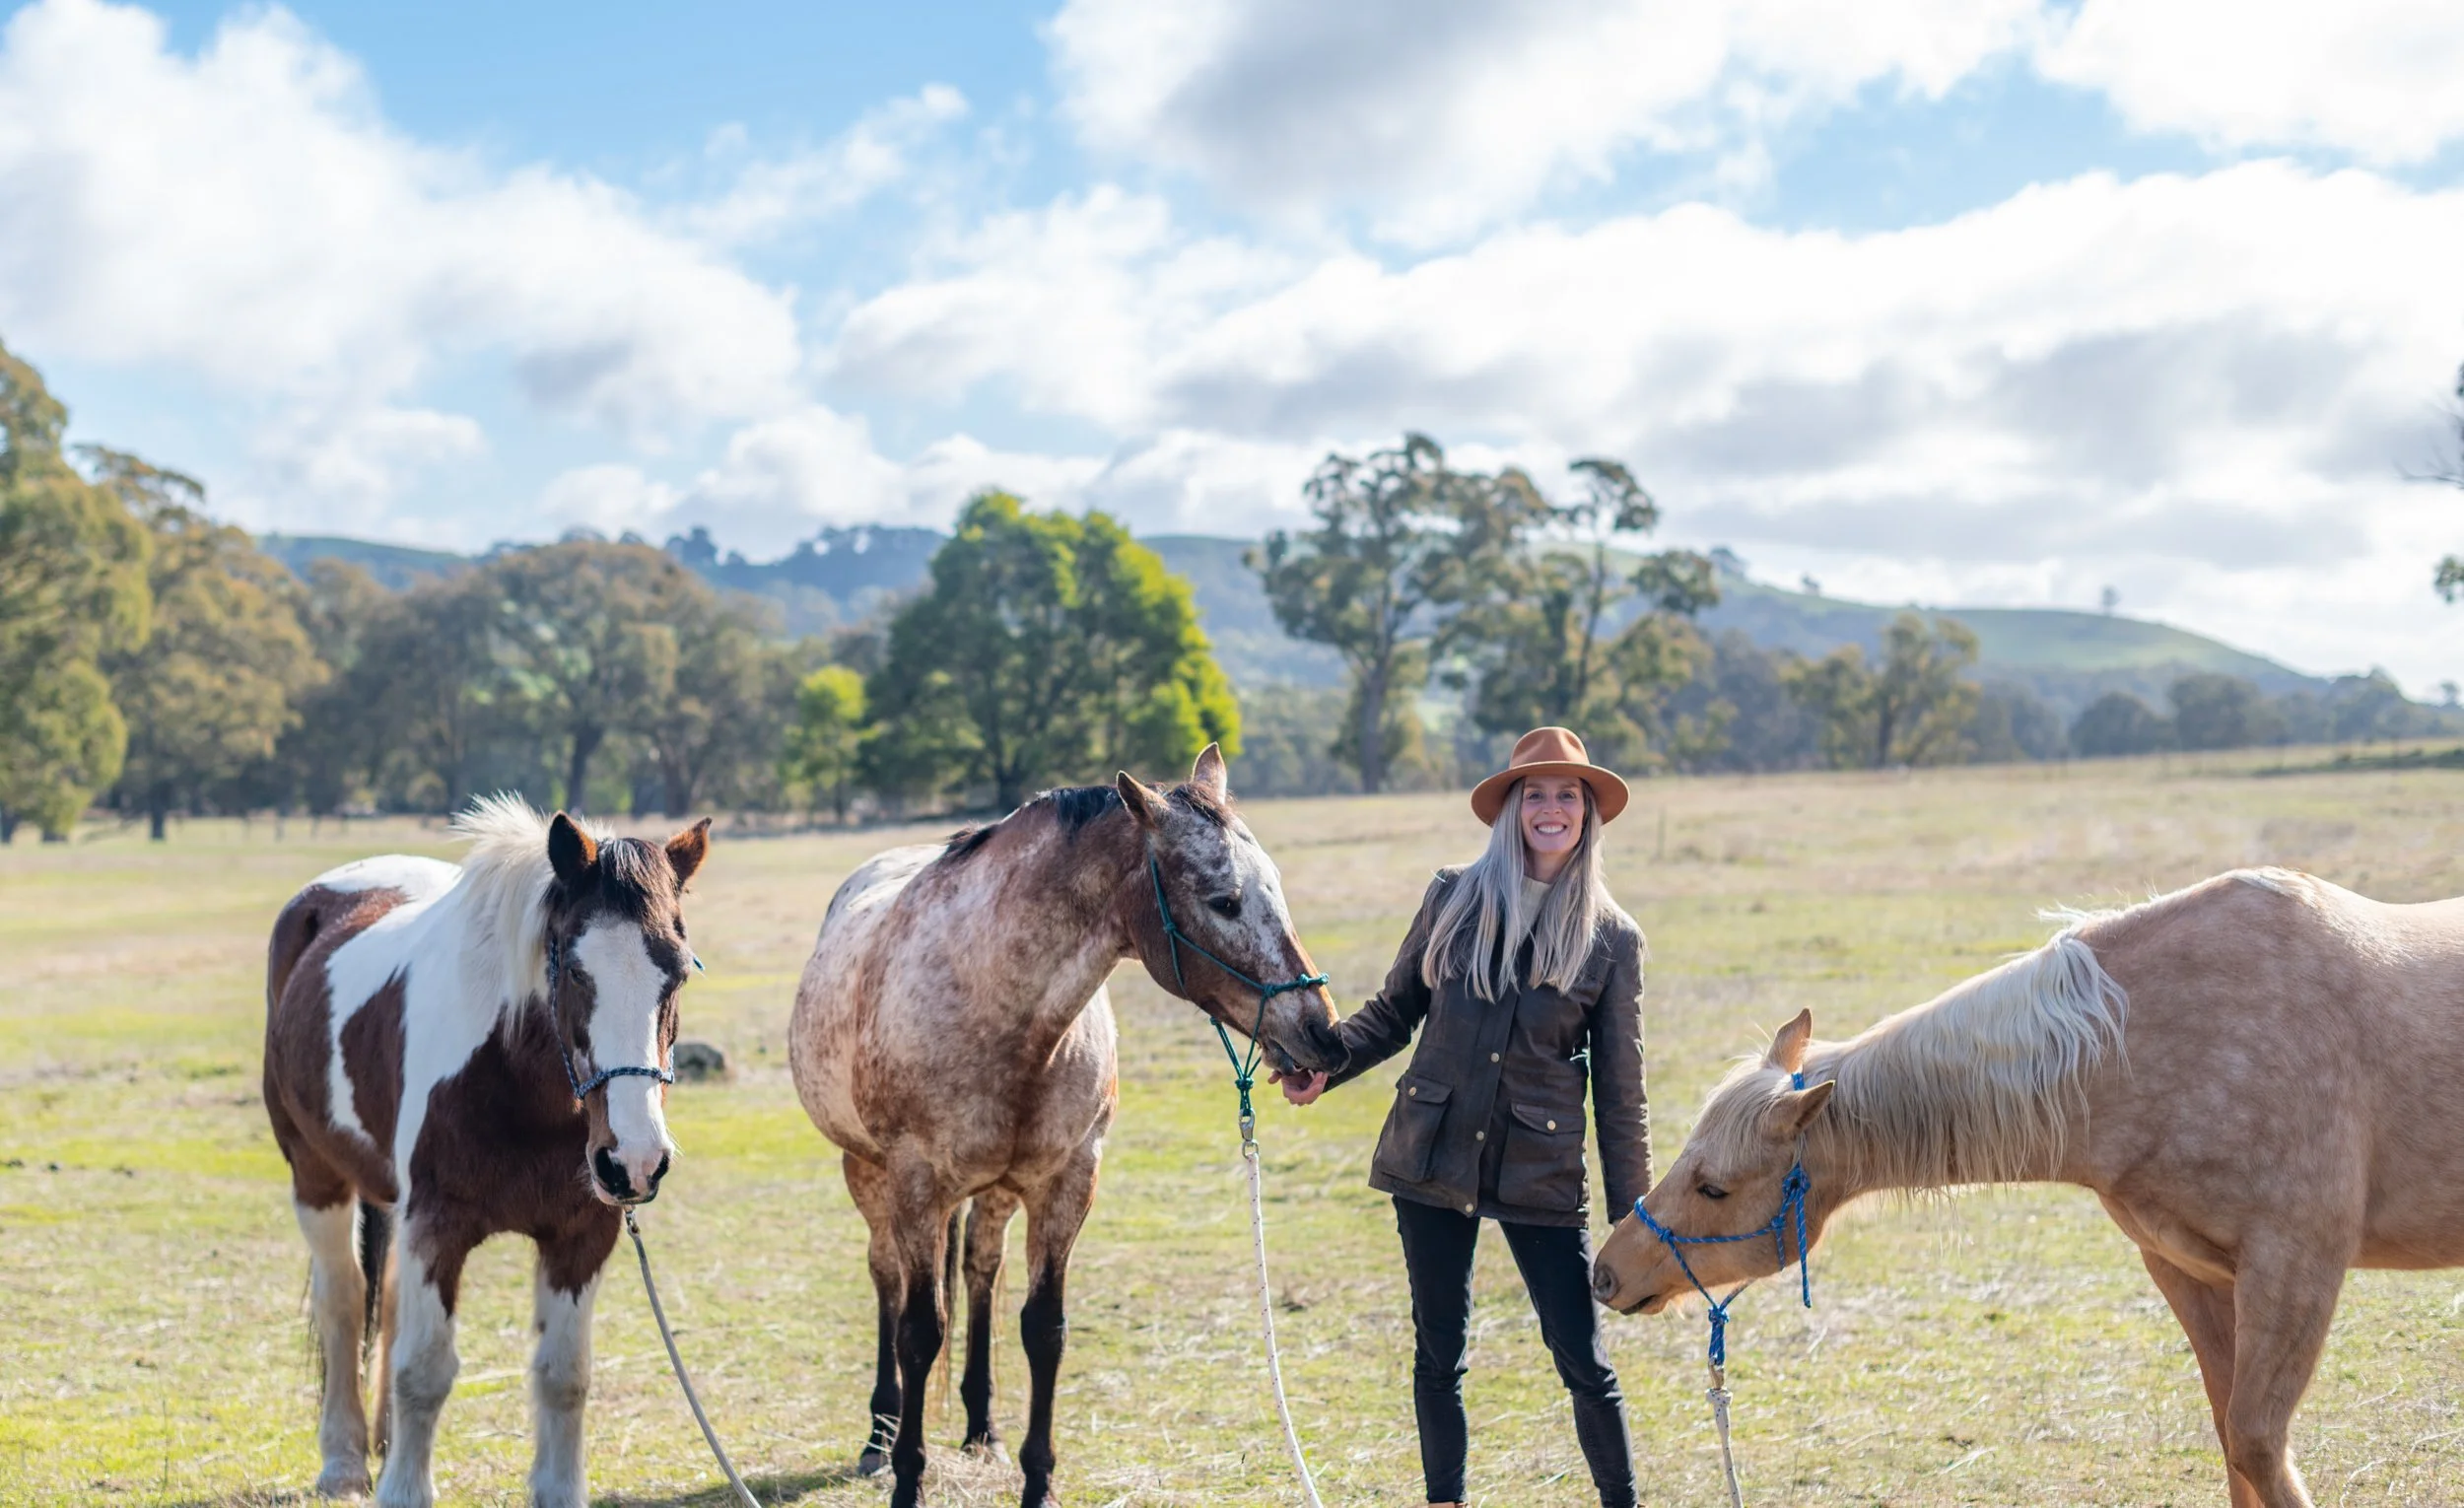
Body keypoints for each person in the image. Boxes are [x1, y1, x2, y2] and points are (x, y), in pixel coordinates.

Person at [1276, 726, 1650, 1508]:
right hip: (1431, 1152)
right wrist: (1324, 1067)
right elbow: (1393, 1011)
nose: (1552, 809)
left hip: (1540, 1170)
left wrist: (1635, 1214)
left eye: (1568, 796)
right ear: (1511, 809)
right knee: (1437, 1354)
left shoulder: (1613, 940)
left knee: (1583, 1359)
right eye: (1536, 794)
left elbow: (1620, 1090)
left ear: (1588, 815)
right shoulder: (1452, 894)